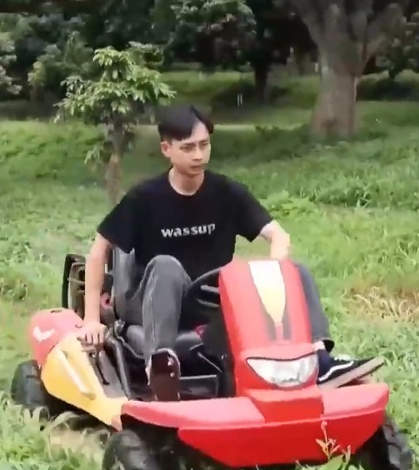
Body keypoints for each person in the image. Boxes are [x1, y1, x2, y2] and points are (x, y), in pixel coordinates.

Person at [76, 105, 382, 401]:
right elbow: (99, 250)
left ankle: (319, 360)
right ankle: (160, 367)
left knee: (296, 270)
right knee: (166, 266)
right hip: (152, 300)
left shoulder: (226, 192)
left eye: (204, 145)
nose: (198, 155)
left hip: (210, 299)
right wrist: (92, 319)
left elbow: (278, 236)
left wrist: (274, 273)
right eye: (188, 147)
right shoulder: (144, 197)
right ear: (166, 149)